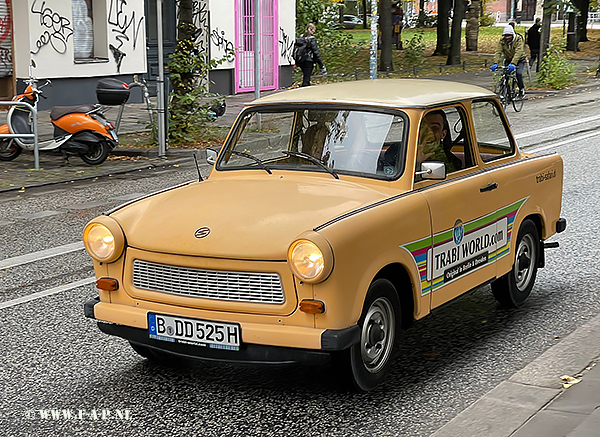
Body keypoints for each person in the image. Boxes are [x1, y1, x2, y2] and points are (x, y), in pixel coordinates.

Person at [416, 110, 461, 177]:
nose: (429, 134)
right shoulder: (403, 153)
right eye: (424, 129)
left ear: (443, 134)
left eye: (435, 129)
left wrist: (417, 164)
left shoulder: (444, 161)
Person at [491, 25, 527, 97]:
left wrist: (513, 63)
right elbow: (498, 51)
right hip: (508, 59)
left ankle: (521, 89)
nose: (507, 38)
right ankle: (506, 91)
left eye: (509, 36)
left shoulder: (518, 39)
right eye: (505, 36)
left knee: (518, 73)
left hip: (520, 59)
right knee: (505, 75)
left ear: (512, 35)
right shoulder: (502, 41)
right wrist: (495, 62)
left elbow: (518, 52)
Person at [296, 23, 326, 87]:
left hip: (300, 60)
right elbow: (315, 52)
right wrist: (321, 64)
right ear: (313, 30)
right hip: (308, 60)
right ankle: (304, 90)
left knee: (306, 75)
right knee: (306, 78)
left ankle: (306, 86)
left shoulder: (301, 38)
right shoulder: (312, 39)